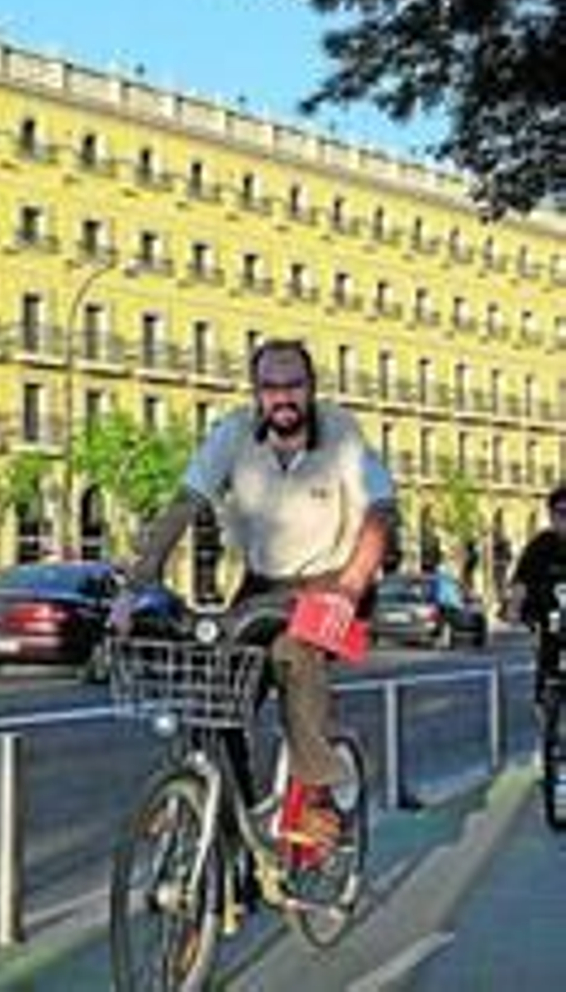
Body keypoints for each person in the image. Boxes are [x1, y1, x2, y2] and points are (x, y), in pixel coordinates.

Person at [117, 338, 396, 851]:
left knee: (294, 654)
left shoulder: (341, 433)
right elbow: (186, 504)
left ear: (311, 389)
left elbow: (380, 512)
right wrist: (136, 588)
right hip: (260, 583)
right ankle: (227, 821)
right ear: (256, 393)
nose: (282, 398)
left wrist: (352, 585)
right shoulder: (234, 433)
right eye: (270, 387)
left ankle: (317, 793)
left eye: (293, 385)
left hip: (331, 580)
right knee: (216, 689)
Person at [501, 483, 566, 706]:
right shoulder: (541, 544)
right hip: (548, 614)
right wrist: (514, 609)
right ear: (551, 515)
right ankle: (545, 705)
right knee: (548, 656)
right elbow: (522, 580)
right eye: (559, 513)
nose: (563, 519)